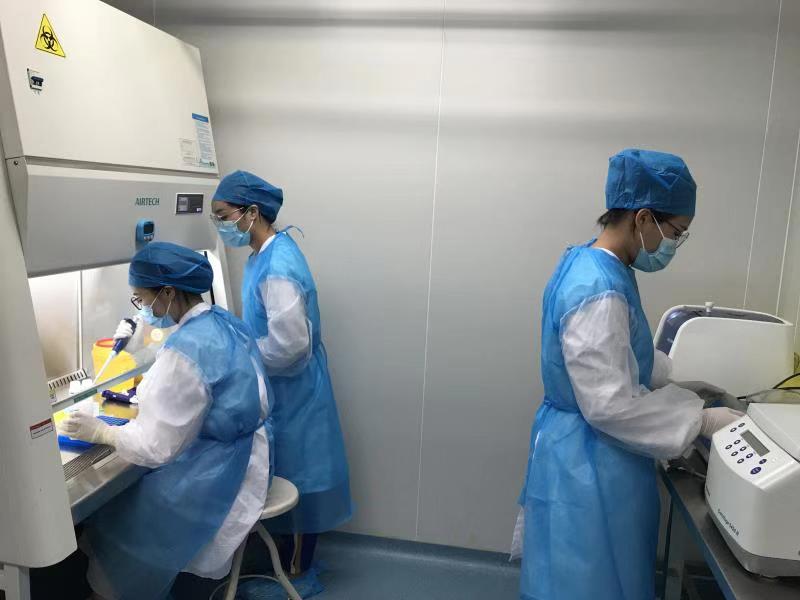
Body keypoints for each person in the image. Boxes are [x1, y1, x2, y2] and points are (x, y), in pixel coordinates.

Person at [515, 149, 743, 600]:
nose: (674, 243)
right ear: (643, 218)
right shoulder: (598, 288)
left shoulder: (593, 263)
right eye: (675, 232)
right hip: (591, 464)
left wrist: (672, 382)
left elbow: (619, 353)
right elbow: (610, 406)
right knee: (588, 582)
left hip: (581, 450)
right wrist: (698, 419)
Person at [58, 242, 273, 600]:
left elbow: (155, 448)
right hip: (250, 454)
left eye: (142, 299)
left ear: (169, 292)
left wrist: (101, 431)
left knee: (117, 517)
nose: (143, 309)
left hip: (218, 474)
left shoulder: (184, 353)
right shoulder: (222, 321)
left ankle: (113, 590)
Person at [211, 170, 352, 574]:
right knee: (288, 473)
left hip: (294, 390)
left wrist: (242, 356)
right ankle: (287, 563)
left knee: (299, 479)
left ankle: (297, 574)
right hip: (284, 387)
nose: (220, 225)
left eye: (223, 216)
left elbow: (290, 346)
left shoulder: (277, 266)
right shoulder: (263, 255)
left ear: (252, 213)